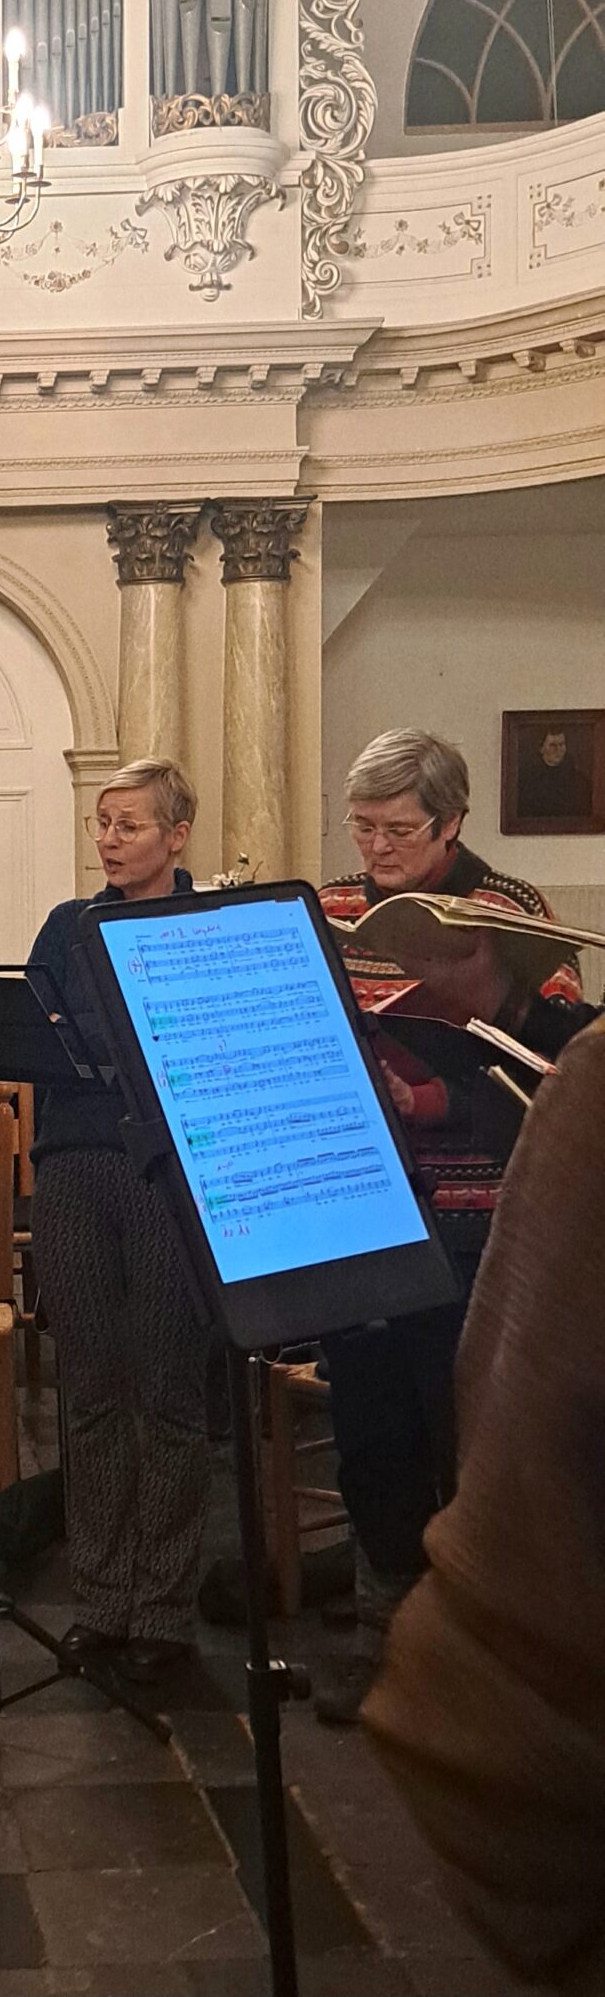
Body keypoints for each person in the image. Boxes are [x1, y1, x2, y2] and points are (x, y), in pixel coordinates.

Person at [315, 725, 583, 1721]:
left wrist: (441, 1076)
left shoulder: (508, 911)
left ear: (451, 822)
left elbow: (555, 1065)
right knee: (368, 1428)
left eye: (398, 830)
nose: (376, 849)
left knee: (462, 1434)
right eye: (363, 827)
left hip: (476, 1211)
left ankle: (473, 1657)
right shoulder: (332, 907)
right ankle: (382, 1641)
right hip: (363, 1205)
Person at [364, 1017, 605, 1989]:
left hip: (466, 1221)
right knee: (378, 1435)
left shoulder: (578, 1053)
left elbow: (489, 1725)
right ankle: (372, 1593)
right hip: (389, 1217)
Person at [24, 757, 210, 1687]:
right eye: (101, 823)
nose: (108, 840)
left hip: (167, 1173)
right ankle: (100, 1598)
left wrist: (100, 1042)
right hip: (72, 1166)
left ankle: (163, 1604)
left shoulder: (204, 926)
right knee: (91, 1387)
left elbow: (189, 1045)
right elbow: (42, 1032)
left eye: (128, 826)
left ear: (176, 836)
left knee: (169, 1389)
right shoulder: (67, 927)